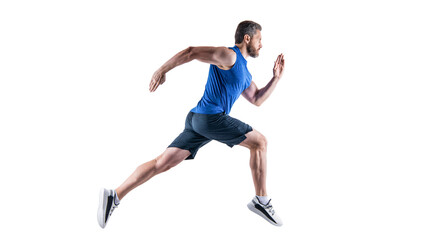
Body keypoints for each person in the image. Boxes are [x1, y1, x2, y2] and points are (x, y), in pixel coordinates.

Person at [97, 20, 285, 228]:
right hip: (210, 118)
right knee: (260, 142)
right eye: (259, 39)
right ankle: (262, 200)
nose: (262, 45)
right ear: (247, 38)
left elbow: (257, 98)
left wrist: (275, 78)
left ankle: (114, 196)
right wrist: (162, 70)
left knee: (162, 163)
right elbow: (191, 52)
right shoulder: (229, 55)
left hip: (198, 120)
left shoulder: (245, 73)